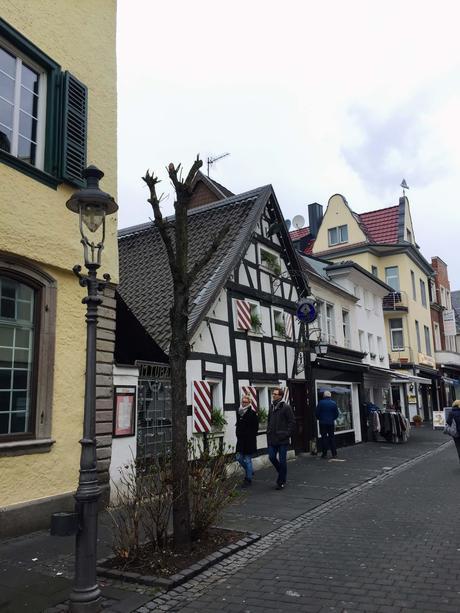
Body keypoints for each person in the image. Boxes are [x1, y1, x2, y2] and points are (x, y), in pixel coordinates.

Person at [267, 388, 295, 490]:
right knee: (271, 457)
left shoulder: (286, 407)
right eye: (273, 394)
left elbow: (292, 422)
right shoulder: (271, 406)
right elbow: (269, 420)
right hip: (272, 438)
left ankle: (281, 481)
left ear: (280, 396)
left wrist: (286, 434)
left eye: (275, 394)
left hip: (282, 439)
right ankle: (282, 472)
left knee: (282, 461)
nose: (273, 395)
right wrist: (268, 432)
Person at [235, 395, 259, 486]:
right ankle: (250, 470)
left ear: (249, 403)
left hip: (249, 441)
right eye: (243, 402)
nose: (243, 403)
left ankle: (248, 479)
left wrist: (250, 436)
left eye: (245, 402)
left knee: (248, 460)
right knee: (238, 457)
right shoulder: (239, 412)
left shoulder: (252, 413)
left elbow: (255, 428)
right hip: (240, 440)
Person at [316, 390, 339, 459]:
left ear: (324, 396)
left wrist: (320, 418)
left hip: (323, 423)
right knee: (332, 437)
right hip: (331, 423)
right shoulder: (333, 403)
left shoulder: (321, 403)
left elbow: (317, 413)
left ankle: (324, 454)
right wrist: (332, 418)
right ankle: (334, 453)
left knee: (324, 438)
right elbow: (336, 414)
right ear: (330, 396)